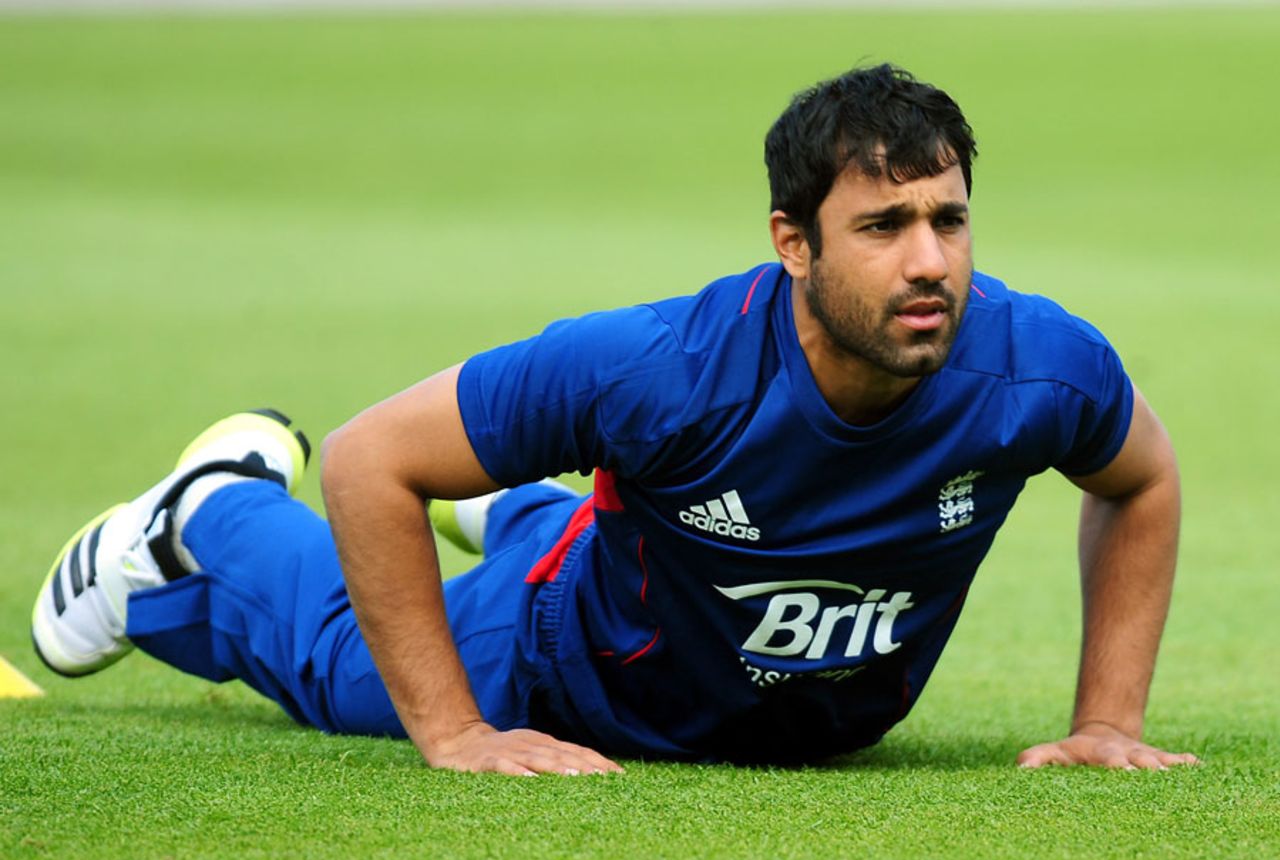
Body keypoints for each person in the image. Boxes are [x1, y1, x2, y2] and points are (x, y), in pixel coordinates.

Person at [32, 63, 1198, 776]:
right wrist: (454, 732)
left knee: (636, 517)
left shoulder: (1038, 368)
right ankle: (213, 512)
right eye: (882, 225)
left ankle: (527, 505)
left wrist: (1106, 717)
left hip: (664, 577)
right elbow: (367, 457)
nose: (929, 260)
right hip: (554, 664)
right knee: (338, 655)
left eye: (947, 218)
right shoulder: (664, 369)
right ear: (791, 242)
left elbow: (1139, 477)